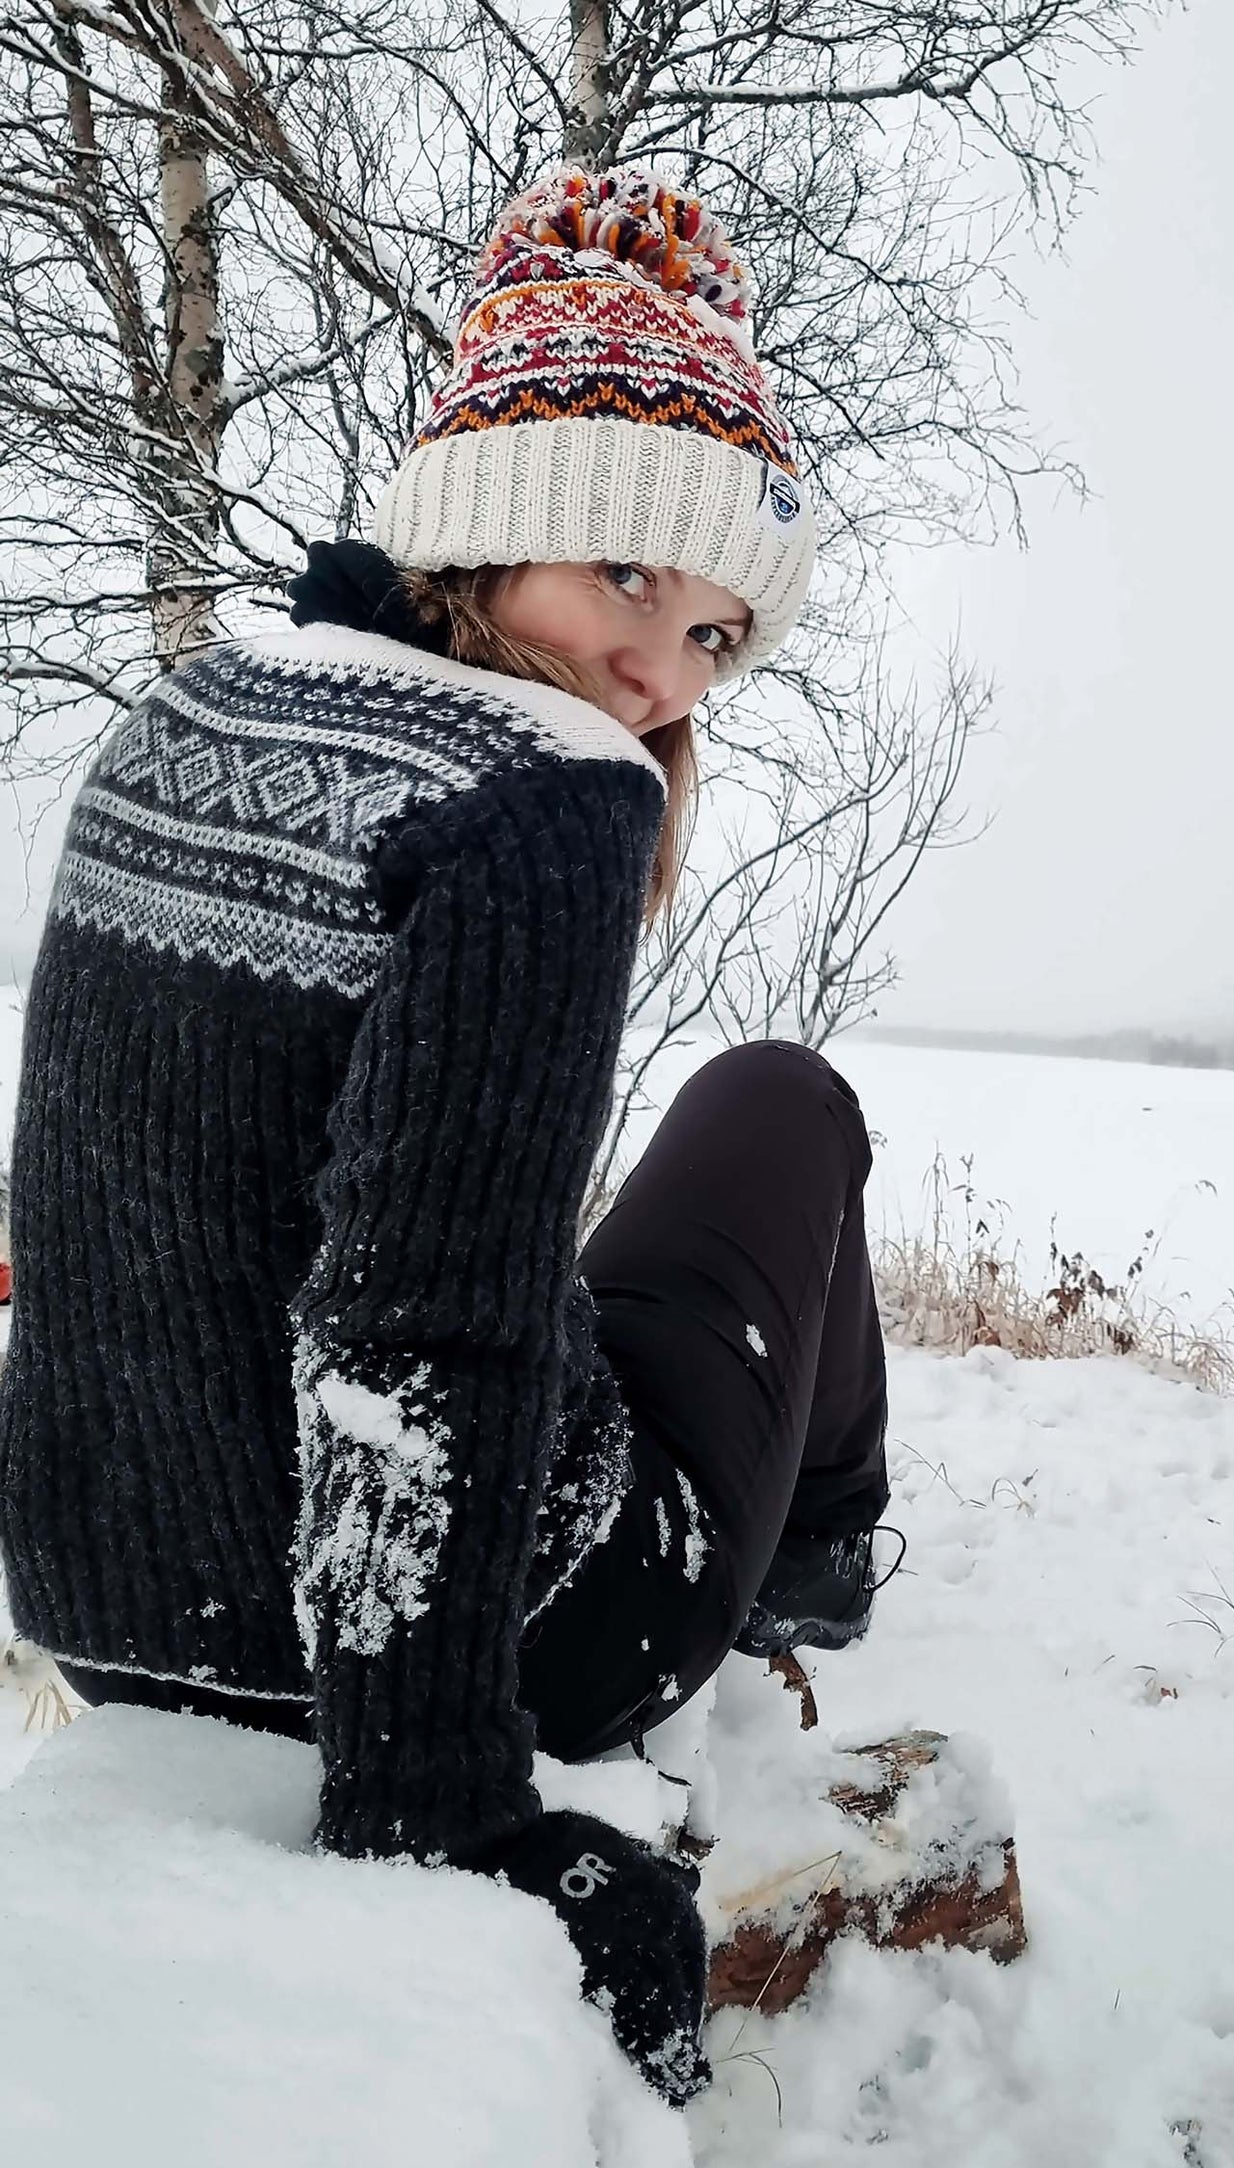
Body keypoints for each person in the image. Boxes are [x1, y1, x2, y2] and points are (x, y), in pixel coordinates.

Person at [0, 164, 890, 2104]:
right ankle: (818, 1560)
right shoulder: (550, 793)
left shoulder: (180, 714)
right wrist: (443, 1802)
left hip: (115, 1609)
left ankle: (811, 1545)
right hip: (520, 1634)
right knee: (782, 1101)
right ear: (490, 527)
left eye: (719, 634)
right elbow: (421, 1326)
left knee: (603, 1244)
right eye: (630, 576)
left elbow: (85, 1186)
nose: (662, 672)